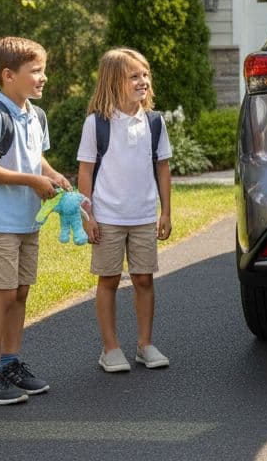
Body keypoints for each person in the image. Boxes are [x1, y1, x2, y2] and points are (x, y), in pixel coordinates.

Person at [0, 36, 71, 405]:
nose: (43, 77)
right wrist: (32, 181)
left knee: (22, 291)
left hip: (28, 221)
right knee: (3, 295)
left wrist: (53, 175)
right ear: (8, 75)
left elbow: (35, 160)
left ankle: (10, 364)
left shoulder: (35, 115)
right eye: (36, 71)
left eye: (43, 70)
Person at [77, 48, 173, 373]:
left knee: (144, 279)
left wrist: (166, 212)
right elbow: (86, 172)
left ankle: (145, 344)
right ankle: (111, 348)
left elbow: (163, 168)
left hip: (144, 216)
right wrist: (87, 214)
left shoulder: (154, 122)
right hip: (108, 218)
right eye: (134, 76)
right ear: (113, 81)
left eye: (145, 75)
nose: (142, 81)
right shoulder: (97, 123)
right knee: (109, 280)